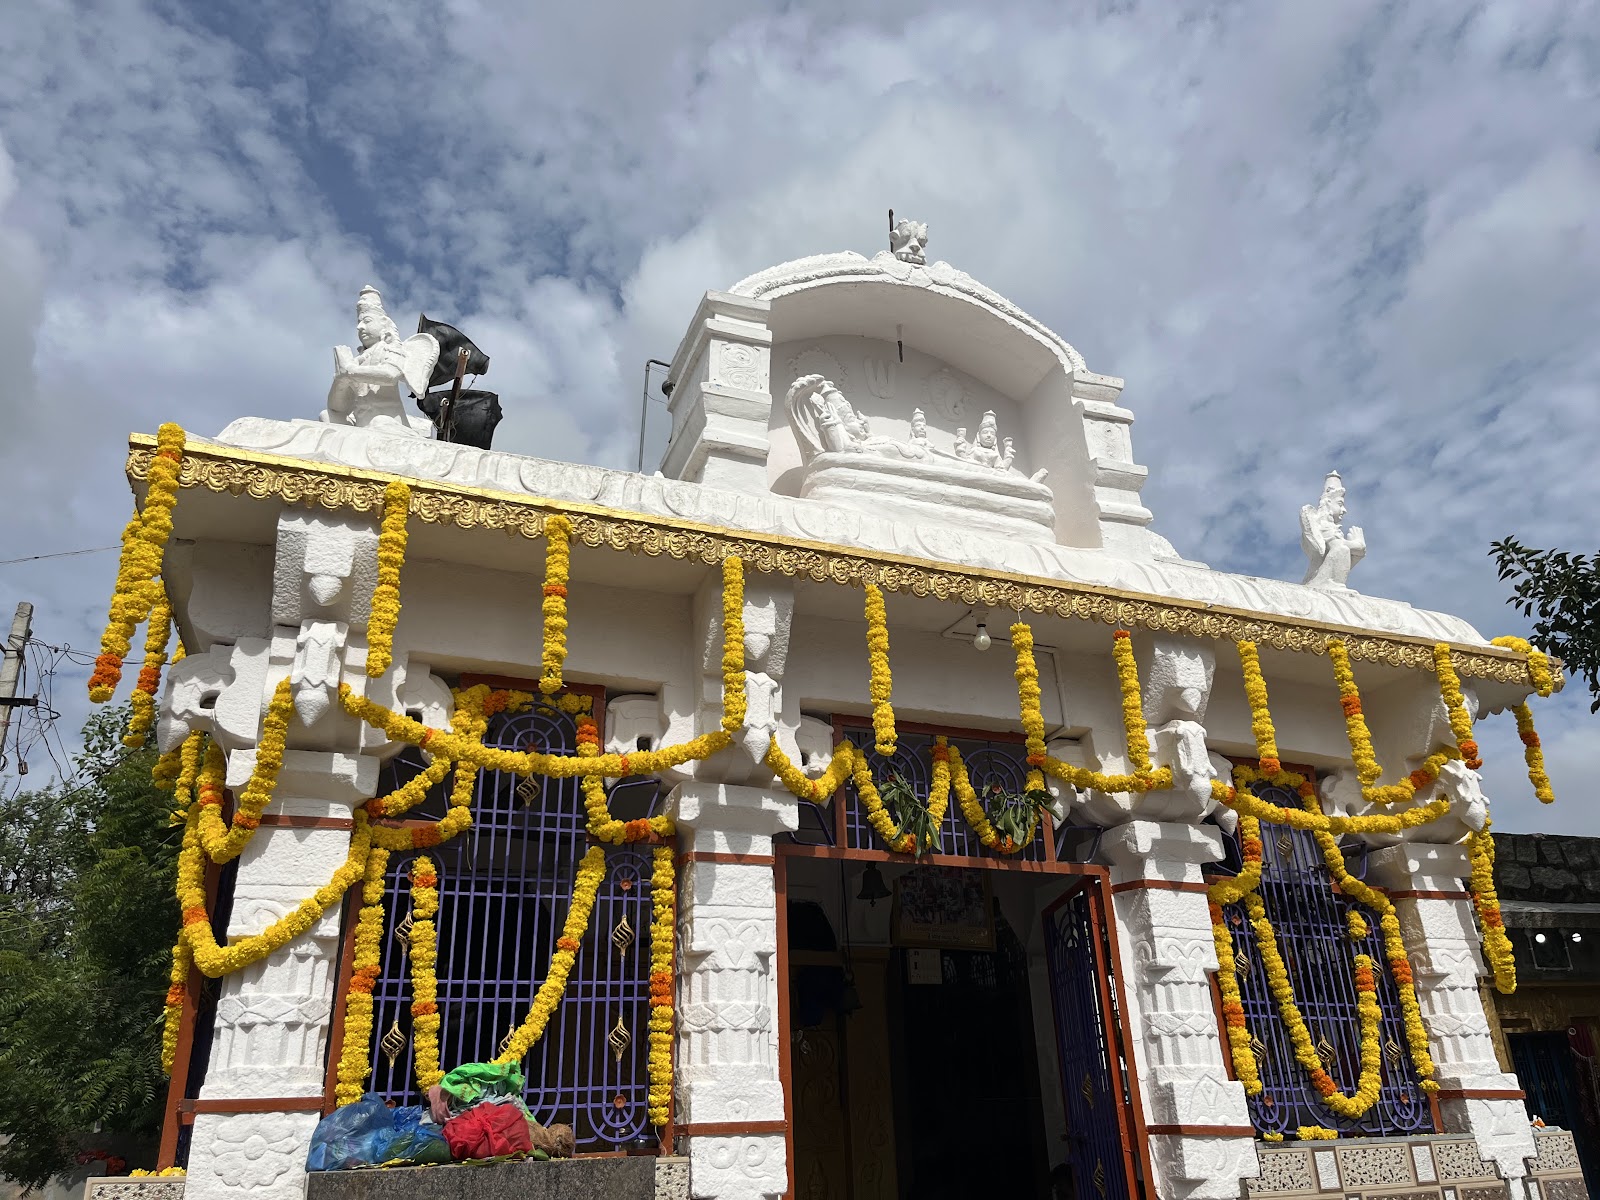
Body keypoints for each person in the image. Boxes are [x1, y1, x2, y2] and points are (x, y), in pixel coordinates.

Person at [324, 286, 439, 434]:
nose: (360, 327)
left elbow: (390, 375)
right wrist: (341, 378)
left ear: (384, 323)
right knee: (327, 416)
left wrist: (352, 371)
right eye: (359, 322)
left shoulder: (392, 348)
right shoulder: (357, 360)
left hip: (387, 421)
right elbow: (338, 408)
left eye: (367, 321)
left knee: (379, 422)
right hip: (361, 422)